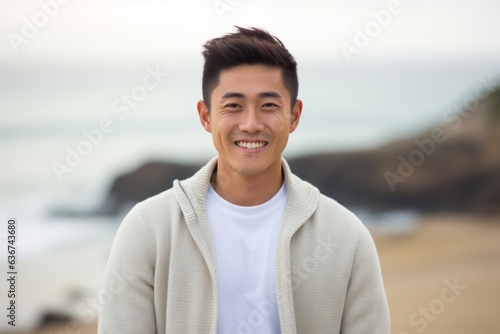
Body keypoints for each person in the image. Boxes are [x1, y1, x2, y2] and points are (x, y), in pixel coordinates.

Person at [98, 26, 390, 334]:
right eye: (233, 106)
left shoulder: (346, 237)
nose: (251, 124)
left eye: (268, 105)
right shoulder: (147, 229)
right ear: (206, 116)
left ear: (294, 116)